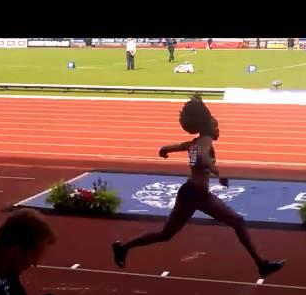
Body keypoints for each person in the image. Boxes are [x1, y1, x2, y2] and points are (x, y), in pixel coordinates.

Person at [112, 95, 286, 278]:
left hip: (193, 193)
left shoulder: (195, 143)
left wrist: (165, 149)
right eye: (216, 126)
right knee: (235, 222)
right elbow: (202, 157)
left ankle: (123, 247)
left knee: (167, 234)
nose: (218, 129)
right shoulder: (205, 141)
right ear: (207, 127)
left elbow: (182, 148)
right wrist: (217, 171)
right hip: (195, 194)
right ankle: (261, 265)